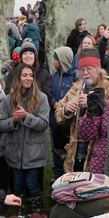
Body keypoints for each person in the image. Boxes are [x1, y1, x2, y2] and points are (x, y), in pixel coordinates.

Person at [54, 48, 109, 172]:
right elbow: (58, 115)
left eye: (89, 68)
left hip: (100, 153)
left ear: (98, 68)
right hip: (75, 150)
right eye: (82, 70)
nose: (85, 73)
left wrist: (93, 105)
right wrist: (66, 110)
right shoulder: (76, 87)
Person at [0, 63, 50, 214]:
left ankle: (37, 214)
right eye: (25, 75)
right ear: (18, 78)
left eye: (31, 76)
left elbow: (43, 124)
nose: (28, 78)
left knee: (31, 183)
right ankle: (20, 214)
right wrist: (14, 121)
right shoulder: (9, 100)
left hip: (34, 151)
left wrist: (27, 117)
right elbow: (1, 124)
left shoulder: (42, 98)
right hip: (15, 151)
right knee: (18, 184)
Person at [49, 46, 77, 179]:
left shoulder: (73, 77)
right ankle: (57, 173)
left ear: (62, 60)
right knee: (55, 148)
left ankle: (66, 175)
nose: (53, 61)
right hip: (55, 119)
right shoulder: (54, 76)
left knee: (67, 148)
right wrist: (54, 102)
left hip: (68, 121)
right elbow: (50, 92)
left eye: (55, 59)